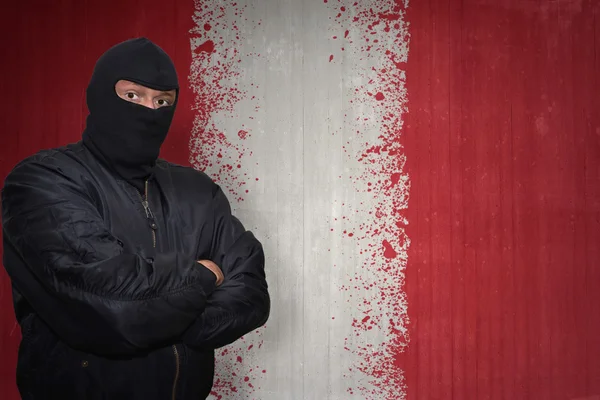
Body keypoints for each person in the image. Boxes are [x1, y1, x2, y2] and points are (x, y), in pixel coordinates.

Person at [1, 37, 270, 400]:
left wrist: (161, 318)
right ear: (99, 96)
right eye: (133, 96)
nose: (149, 110)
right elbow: (112, 306)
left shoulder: (198, 190)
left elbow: (250, 294)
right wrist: (204, 275)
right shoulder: (43, 180)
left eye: (162, 101)